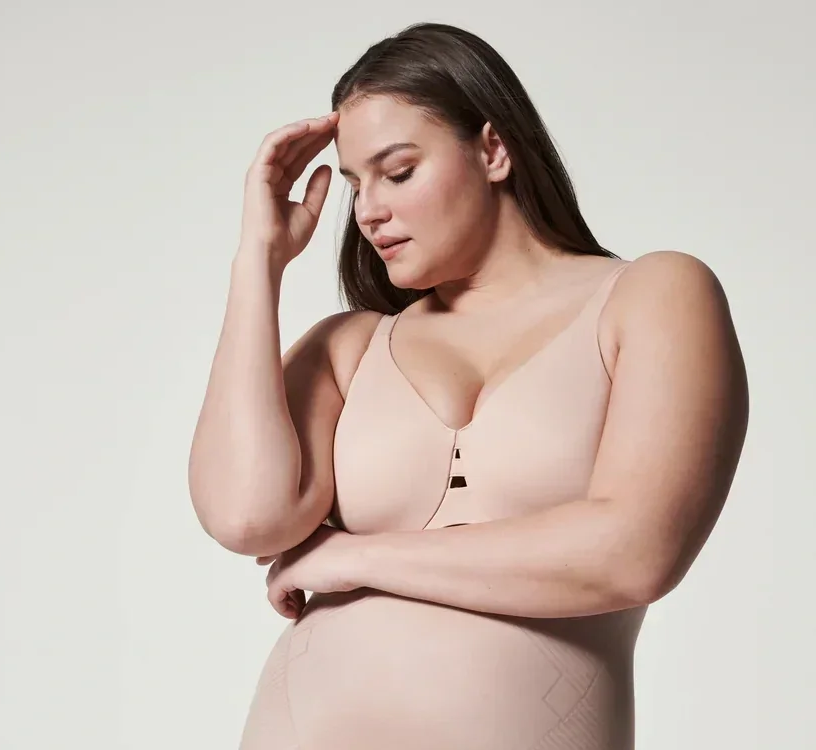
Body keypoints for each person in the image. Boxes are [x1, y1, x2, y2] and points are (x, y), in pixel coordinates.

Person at [188, 21, 749, 750]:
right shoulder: (351, 347)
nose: (368, 211)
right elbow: (246, 518)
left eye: (398, 172)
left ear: (492, 150)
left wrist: (354, 556)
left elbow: (634, 552)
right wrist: (258, 262)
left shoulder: (652, 296)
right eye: (354, 185)